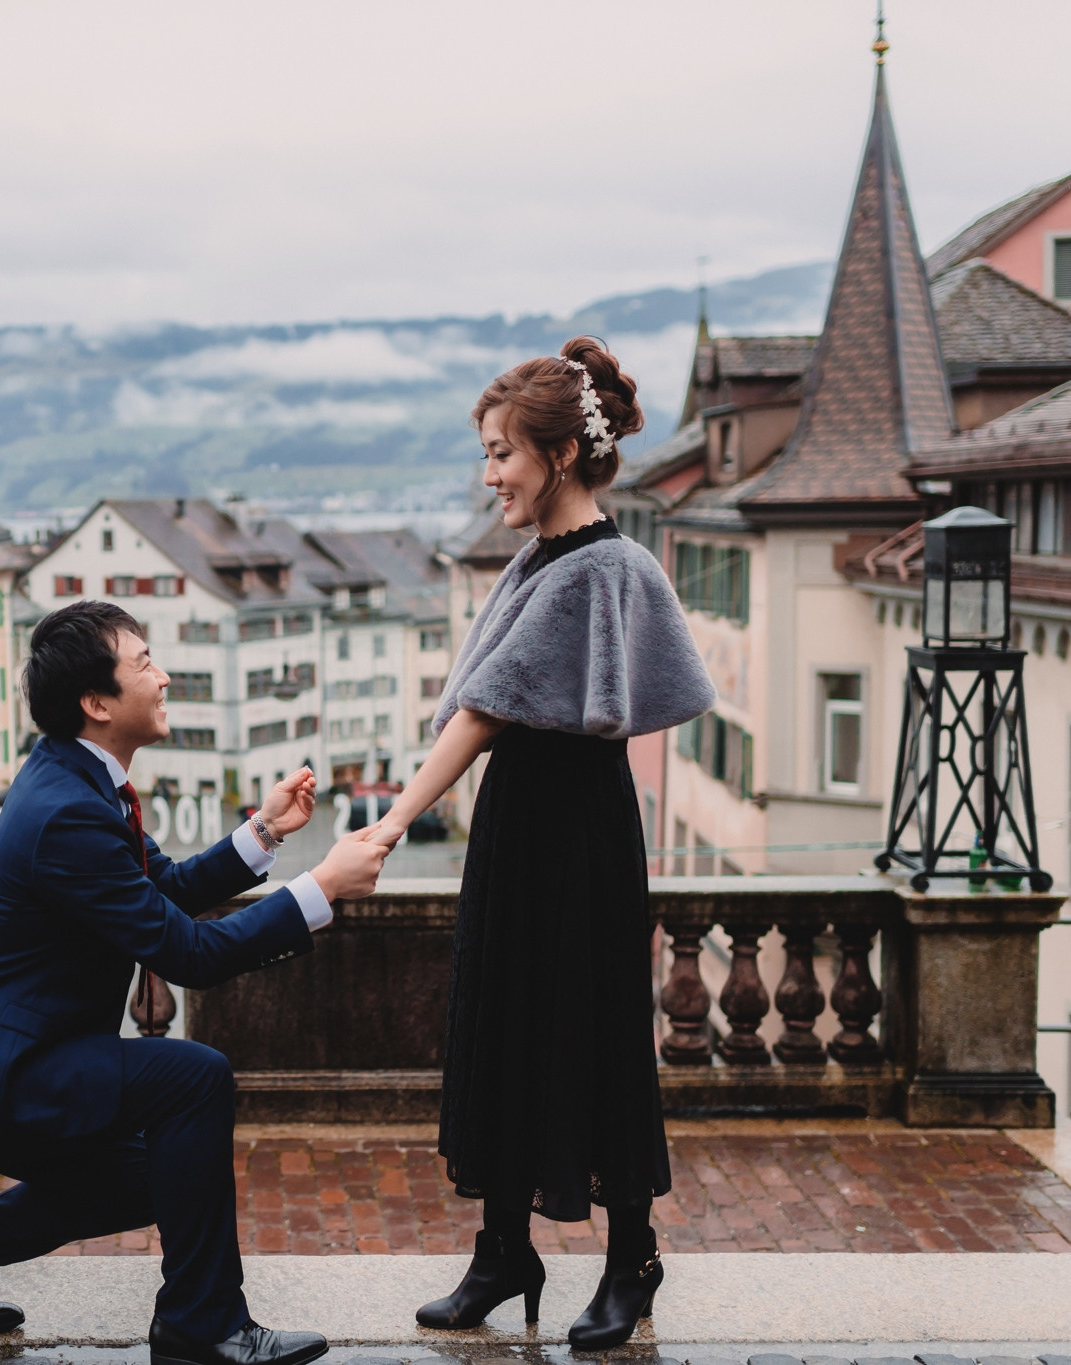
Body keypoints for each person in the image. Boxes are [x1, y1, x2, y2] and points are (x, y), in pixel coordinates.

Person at [0, 599, 390, 1365]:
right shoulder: (67, 809)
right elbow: (190, 954)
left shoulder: (76, 776)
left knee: (162, 1175)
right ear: (97, 701)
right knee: (194, 1078)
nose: (165, 676)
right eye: (145, 662)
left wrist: (264, 832)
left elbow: (157, 890)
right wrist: (320, 887)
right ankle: (201, 1324)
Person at [362, 337, 714, 1349]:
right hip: (522, 823)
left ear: (558, 455)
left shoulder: (597, 567)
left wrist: (390, 821)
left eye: (501, 453)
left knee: (594, 1032)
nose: (489, 476)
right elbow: (492, 704)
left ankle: (630, 1261)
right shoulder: (541, 560)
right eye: (486, 454)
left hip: (576, 833)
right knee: (507, 1023)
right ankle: (503, 1251)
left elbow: (481, 710)